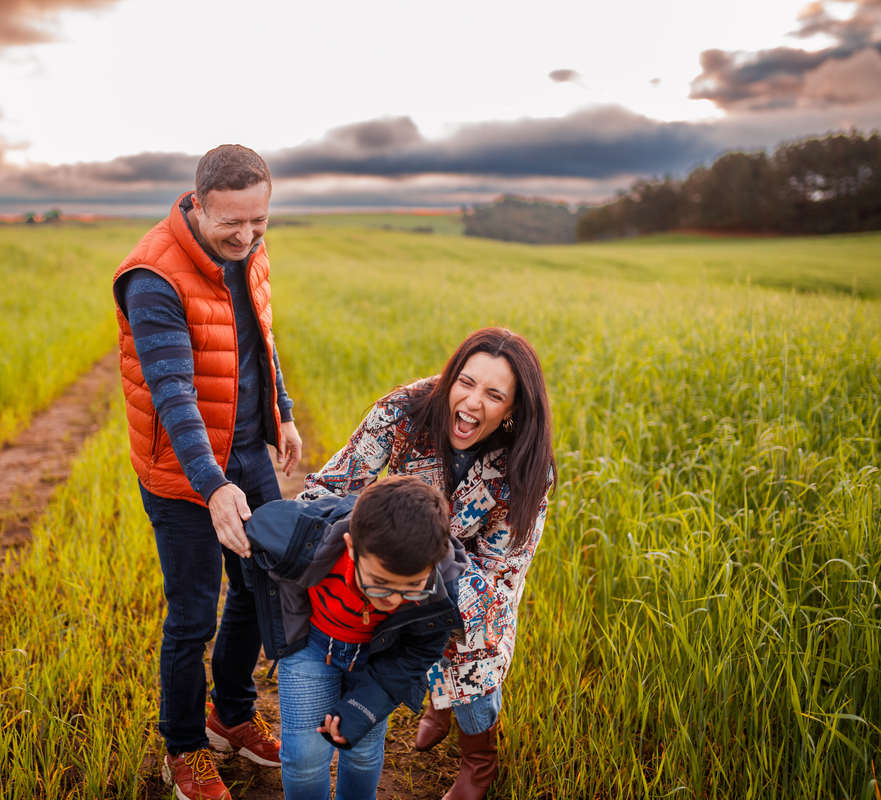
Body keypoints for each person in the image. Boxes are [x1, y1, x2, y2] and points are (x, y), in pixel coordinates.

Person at [111, 144, 304, 800]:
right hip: (181, 470)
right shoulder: (152, 276)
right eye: (233, 225)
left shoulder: (249, 250)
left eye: (260, 223)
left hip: (248, 448)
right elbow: (173, 395)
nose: (247, 237)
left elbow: (262, 342)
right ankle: (185, 747)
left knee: (261, 584)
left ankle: (232, 715)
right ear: (197, 204)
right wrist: (211, 483)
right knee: (193, 614)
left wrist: (282, 414)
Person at [298, 327, 557, 800]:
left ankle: (478, 760)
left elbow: (500, 577)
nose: (473, 402)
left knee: (480, 636)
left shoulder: (527, 465)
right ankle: (433, 696)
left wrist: (429, 576)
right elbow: (332, 486)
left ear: (513, 410)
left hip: (468, 576)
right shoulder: (404, 410)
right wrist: (366, 545)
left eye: (494, 394)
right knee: (381, 597)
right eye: (466, 381)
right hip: (398, 550)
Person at [242, 475, 468, 800]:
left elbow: (416, 653)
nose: (391, 599)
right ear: (351, 547)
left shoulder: (438, 587)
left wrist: (364, 707)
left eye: (410, 588)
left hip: (377, 660)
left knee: (362, 751)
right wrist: (269, 603)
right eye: (379, 582)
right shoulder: (309, 536)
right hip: (312, 645)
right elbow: (258, 536)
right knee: (304, 757)